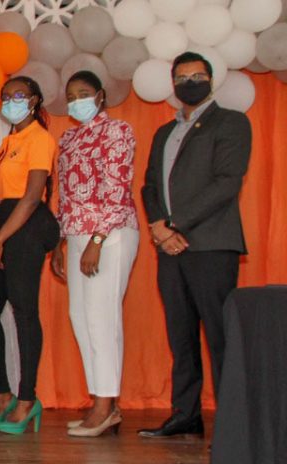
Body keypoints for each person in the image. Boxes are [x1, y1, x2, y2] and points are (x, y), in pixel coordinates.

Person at [138, 52, 251, 439]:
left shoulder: (231, 122)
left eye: (198, 75)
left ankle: (233, 426)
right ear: (173, 84)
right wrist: (158, 228)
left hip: (211, 246)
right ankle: (185, 415)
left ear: (211, 79)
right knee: (180, 335)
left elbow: (226, 183)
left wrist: (174, 225)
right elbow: (149, 186)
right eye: (183, 77)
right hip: (168, 248)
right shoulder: (163, 132)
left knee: (219, 335)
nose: (190, 82)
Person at [51, 71, 139, 438]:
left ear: (100, 96)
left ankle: (106, 405)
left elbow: (119, 188)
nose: (77, 101)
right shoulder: (68, 138)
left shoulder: (118, 132)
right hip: (75, 233)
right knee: (79, 316)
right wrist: (62, 239)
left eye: (83, 94)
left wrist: (98, 239)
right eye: (71, 96)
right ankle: (102, 401)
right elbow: (66, 194)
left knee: (101, 317)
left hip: (112, 232)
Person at [0, 76, 60, 435]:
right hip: (9, 221)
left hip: (29, 224)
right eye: (6, 97)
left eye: (20, 96)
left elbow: (31, 196)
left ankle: (28, 399)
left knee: (25, 313)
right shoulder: (9, 140)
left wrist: (2, 239)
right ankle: (3, 391)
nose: (12, 102)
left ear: (35, 99)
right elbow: (7, 196)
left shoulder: (39, 138)